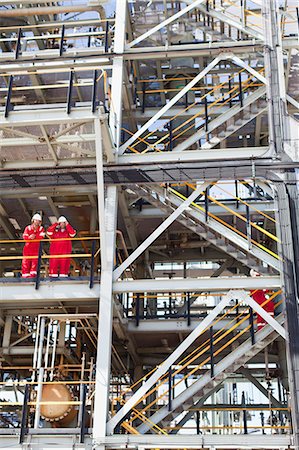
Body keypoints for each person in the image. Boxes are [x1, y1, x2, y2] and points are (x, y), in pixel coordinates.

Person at [22, 213, 45, 278]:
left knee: (34, 264)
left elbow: (41, 237)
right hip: (27, 249)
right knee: (26, 263)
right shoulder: (28, 228)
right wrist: (30, 237)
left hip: (36, 249)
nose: (37, 222)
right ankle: (25, 277)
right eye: (36, 220)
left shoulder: (41, 229)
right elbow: (25, 237)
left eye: (38, 221)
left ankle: (33, 277)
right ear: (33, 220)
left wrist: (33, 237)